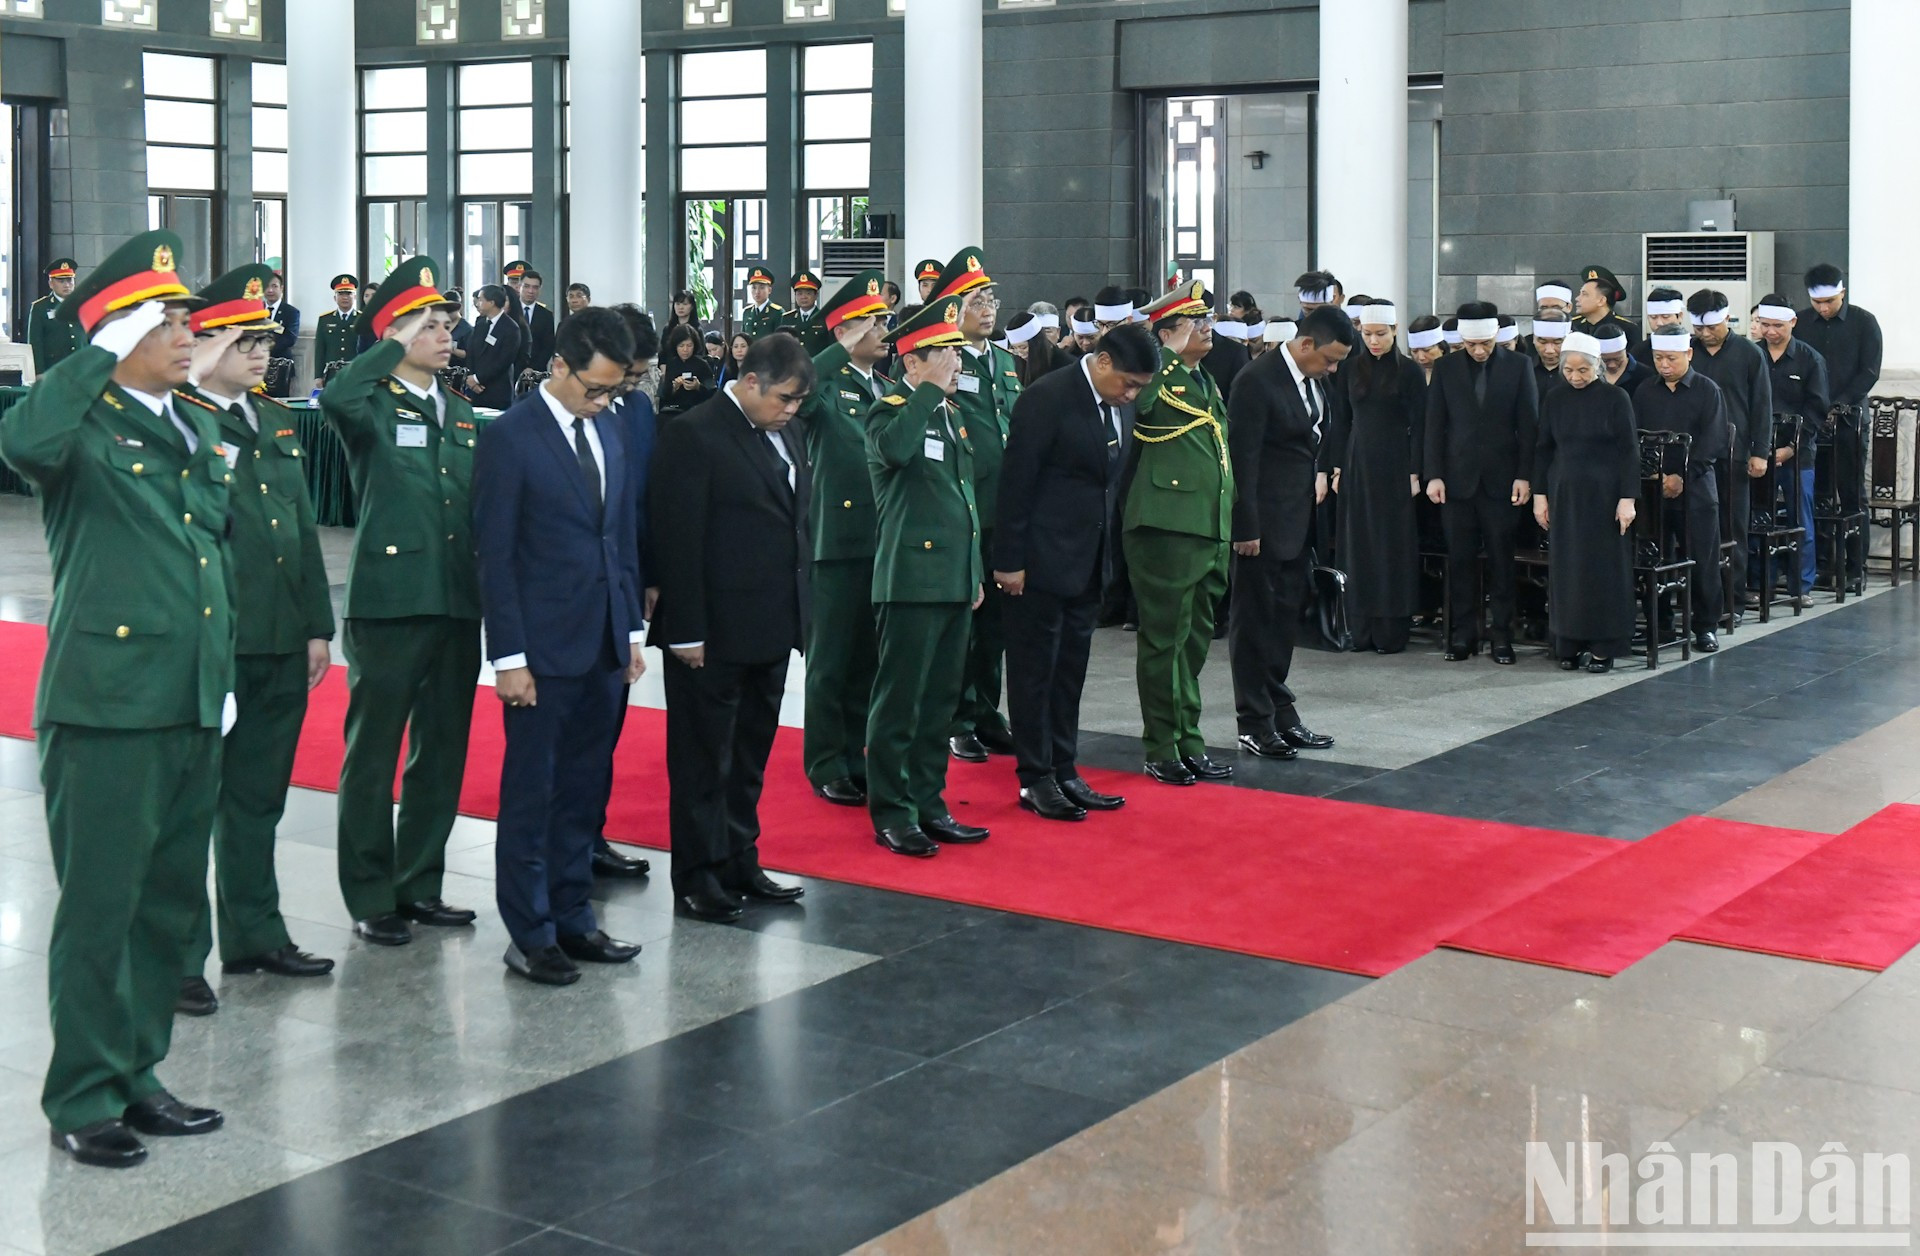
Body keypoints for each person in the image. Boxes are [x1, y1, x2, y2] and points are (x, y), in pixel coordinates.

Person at [0, 231, 233, 1168]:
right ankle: (84, 1094)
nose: (187, 336)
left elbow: (208, 556)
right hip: (107, 705)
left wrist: (219, 678)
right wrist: (93, 352)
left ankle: (138, 1073)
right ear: (118, 335)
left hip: (190, 699)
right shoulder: (80, 427)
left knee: (166, 908)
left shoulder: (196, 426)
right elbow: (21, 441)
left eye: (185, 321)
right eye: (164, 322)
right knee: (102, 908)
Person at [175, 263, 337, 1017]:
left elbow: (299, 531)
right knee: (188, 807)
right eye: (245, 341)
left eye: (267, 342)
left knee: (258, 798)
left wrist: (315, 626)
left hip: (276, 635)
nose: (263, 354)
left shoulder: (273, 420)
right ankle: (178, 957)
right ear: (205, 344)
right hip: (211, 639)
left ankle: (254, 935)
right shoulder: (178, 420)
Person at [474, 308, 646, 986]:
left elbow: (619, 535)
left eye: (614, 390)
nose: (603, 401)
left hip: (602, 641)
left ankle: (575, 916)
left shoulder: (612, 428)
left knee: (583, 787)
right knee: (533, 793)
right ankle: (530, 932)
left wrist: (630, 630)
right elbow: (495, 554)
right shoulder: (511, 437)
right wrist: (508, 657)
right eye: (594, 388)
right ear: (559, 366)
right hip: (541, 651)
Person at [321, 258, 481, 947]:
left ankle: (420, 883)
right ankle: (368, 893)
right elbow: (336, 395)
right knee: (373, 752)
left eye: (447, 324)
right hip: (389, 601)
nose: (445, 335)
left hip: (456, 599)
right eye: (430, 325)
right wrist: (390, 342)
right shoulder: (371, 404)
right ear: (396, 332)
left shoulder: (462, 412)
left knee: (440, 751)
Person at [649, 333, 811, 921]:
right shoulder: (694, 433)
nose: (791, 410)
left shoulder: (789, 432)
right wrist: (685, 630)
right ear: (749, 381)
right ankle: (698, 875)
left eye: (798, 401)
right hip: (711, 630)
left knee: (749, 755)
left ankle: (740, 858)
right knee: (702, 760)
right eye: (784, 398)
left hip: (772, 622)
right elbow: (678, 538)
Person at [993, 325, 1158, 820]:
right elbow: (1016, 482)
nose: (1131, 395)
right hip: (1038, 562)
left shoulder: (1120, 404)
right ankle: (1034, 777)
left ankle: (1065, 768)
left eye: (1140, 388)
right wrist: (1009, 560)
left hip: (1088, 561)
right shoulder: (1048, 398)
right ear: (1103, 362)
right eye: (1128, 383)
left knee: (1070, 672)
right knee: (1034, 673)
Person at [864, 296, 987, 857]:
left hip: (954, 580)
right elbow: (893, 452)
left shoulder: (951, 414)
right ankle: (893, 811)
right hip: (911, 579)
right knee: (901, 703)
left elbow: (965, 500)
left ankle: (929, 803)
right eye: (945, 355)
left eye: (957, 355)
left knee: (939, 703)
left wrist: (973, 571)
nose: (957, 364)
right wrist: (928, 391)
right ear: (912, 361)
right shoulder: (889, 410)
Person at [1228, 305, 1355, 757]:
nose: (1333, 369)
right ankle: (1253, 721)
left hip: (1297, 522)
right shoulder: (1256, 381)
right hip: (1260, 526)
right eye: (1329, 359)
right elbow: (1242, 459)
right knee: (1253, 623)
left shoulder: (1313, 380)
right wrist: (1245, 526)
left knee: (1283, 622)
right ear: (1305, 344)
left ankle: (1281, 712)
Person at [1123, 280, 1234, 785]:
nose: (1207, 329)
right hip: (1165, 527)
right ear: (1168, 333)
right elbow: (1138, 406)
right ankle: (1161, 744)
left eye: (1207, 321)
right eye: (1195, 323)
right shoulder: (1156, 375)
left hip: (1207, 527)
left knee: (1193, 643)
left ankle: (1189, 738)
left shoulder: (1203, 380)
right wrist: (1163, 352)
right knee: (1165, 641)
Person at [799, 271, 891, 808]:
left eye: (884, 321)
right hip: (837, 540)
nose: (884, 331)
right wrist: (838, 349)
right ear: (845, 330)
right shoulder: (827, 384)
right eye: (872, 323)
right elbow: (800, 391)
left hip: (884, 540)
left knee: (867, 661)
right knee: (831, 661)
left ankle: (857, 758)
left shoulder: (886, 386)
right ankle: (826, 761)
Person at [929, 247, 1022, 764]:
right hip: (962, 509)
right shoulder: (943, 360)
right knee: (964, 622)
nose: (987, 310)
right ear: (953, 309)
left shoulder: (1004, 362)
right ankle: (957, 719)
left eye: (990, 300)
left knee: (995, 627)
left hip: (1001, 509)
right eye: (976, 301)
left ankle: (987, 713)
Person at [1425, 301, 1539, 663]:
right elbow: (1434, 424)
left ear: (1495, 337)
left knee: (1502, 563)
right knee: (1459, 562)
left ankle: (1502, 636)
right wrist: (1434, 474)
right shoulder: (1445, 368)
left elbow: (1529, 426)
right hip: (1456, 482)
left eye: (1485, 344)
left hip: (1503, 482)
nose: (1478, 351)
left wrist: (1525, 476)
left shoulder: (1519, 366)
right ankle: (1464, 636)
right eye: (1471, 344)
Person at [586, 305, 658, 883]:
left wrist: (649, 577)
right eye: (626, 373)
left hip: (624, 582)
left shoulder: (635, 409)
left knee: (610, 715)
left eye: (638, 376)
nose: (630, 385)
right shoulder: (560, 411)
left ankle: (592, 832)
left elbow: (644, 498)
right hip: (572, 593)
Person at [1534, 333, 1639, 672]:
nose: (1576, 377)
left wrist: (1627, 499)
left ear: (1597, 367)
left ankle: (1602, 647)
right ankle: (1568, 642)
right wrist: (1540, 496)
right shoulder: (1555, 397)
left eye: (1583, 370)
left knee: (1602, 570)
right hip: (1565, 493)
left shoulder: (1616, 397)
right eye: (1569, 370)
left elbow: (1629, 452)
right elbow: (1543, 448)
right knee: (1567, 569)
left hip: (1605, 496)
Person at [1330, 303, 1424, 654]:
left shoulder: (1410, 371)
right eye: (1367, 334)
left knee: (1391, 543)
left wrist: (1416, 471)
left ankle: (1390, 627)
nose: (1374, 341)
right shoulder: (1350, 368)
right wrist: (1337, 468)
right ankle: (1359, 626)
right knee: (1357, 543)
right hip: (1357, 462)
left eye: (1381, 334)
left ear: (1395, 331)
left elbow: (1422, 425)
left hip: (1396, 463)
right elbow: (1340, 420)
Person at [1633, 329, 1728, 651]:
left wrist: (1681, 476)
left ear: (1688, 355)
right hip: (1653, 489)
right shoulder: (1645, 391)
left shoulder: (1707, 390)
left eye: (1671, 358)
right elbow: (1637, 436)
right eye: (1658, 358)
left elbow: (1713, 440)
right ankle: (1660, 624)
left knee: (1703, 559)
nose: (1664, 365)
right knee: (1653, 557)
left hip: (1696, 490)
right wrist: (1654, 474)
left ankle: (1705, 626)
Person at [1796, 263, 1882, 594]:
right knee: (1816, 493)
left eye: (1829, 301)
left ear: (1842, 293)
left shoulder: (1864, 322)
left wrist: (1838, 404)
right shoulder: (1801, 323)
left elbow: (1869, 371)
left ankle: (1856, 565)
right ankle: (1822, 563)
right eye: (1817, 302)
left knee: (1851, 493)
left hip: (1849, 420)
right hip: (1812, 421)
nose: (1823, 308)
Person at [1686, 288, 1773, 614]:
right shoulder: (1687, 351)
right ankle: (1698, 600)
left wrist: (1760, 451)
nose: (1705, 334)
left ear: (1727, 319)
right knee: (1696, 529)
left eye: (1712, 327)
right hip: (1694, 456)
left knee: (1733, 527)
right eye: (1699, 328)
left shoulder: (1749, 353)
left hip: (1734, 455)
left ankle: (1732, 599)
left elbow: (1761, 405)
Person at [1754, 293, 1831, 597]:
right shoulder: (1752, 355)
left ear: (1793, 323)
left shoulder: (1810, 359)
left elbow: (1816, 410)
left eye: (1778, 325)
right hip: (1759, 452)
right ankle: (1762, 583)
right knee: (1760, 519)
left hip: (1798, 454)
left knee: (1801, 520)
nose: (1771, 331)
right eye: (1765, 325)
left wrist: (1791, 448)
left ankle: (1802, 586)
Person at [464, 285, 524, 409]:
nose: (477, 304)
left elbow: (504, 361)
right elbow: (470, 352)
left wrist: (478, 378)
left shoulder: (511, 328)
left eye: (481, 300)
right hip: (476, 390)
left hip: (498, 391)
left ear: (491, 303)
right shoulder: (481, 323)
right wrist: (472, 379)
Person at [25, 257, 84, 374]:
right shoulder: (40, 307)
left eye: (69, 280)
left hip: (81, 367)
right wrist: (39, 372)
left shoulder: (83, 304)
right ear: (51, 284)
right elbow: (35, 342)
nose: (66, 285)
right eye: (61, 281)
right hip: (54, 369)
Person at [655, 322, 716, 420]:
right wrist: (674, 388)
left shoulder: (702, 364)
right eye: (681, 346)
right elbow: (664, 396)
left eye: (689, 345)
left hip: (697, 411)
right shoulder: (671, 364)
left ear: (695, 345)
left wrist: (698, 387)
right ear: (675, 346)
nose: (685, 349)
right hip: (675, 411)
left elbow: (713, 393)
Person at [1572, 264, 1639, 346]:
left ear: (1601, 301)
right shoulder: (1573, 326)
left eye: (1584, 294)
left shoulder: (1628, 330)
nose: (1577, 298)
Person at [1629, 286, 1691, 365]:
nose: (1659, 323)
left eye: (1665, 317)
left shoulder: (1694, 346)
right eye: (1653, 317)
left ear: (1680, 316)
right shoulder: (1639, 351)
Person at [314, 274, 361, 375]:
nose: (345, 297)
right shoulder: (325, 319)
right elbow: (320, 350)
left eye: (348, 293)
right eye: (340, 294)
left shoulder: (362, 319)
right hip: (331, 372)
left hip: (355, 371)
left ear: (355, 297)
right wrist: (318, 375)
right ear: (335, 298)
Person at [262, 272, 300, 397]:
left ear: (281, 288)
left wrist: (264, 348)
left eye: (274, 286)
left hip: (281, 366)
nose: (270, 290)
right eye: (267, 286)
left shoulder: (291, 312)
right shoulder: (255, 310)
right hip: (257, 364)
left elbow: (290, 338)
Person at [781, 270, 833, 356]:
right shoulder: (787, 318)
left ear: (816, 295)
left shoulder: (825, 317)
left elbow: (830, 348)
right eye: (799, 293)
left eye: (808, 293)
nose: (803, 297)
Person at [517, 267, 556, 369]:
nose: (531, 291)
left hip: (536, 371)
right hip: (511, 370)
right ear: (519, 286)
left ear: (540, 289)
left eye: (535, 287)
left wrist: (533, 368)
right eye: (526, 286)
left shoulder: (546, 315)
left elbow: (548, 347)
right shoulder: (510, 311)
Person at [1597, 328, 1650, 394]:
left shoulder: (1645, 374)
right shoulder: (1591, 375)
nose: (1612, 365)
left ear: (1625, 351)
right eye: (1605, 360)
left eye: (1617, 359)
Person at [1528, 317, 1570, 398]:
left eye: (1557, 342)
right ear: (1533, 340)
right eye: (1542, 342)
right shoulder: (1523, 369)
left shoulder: (1578, 373)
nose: (1549, 350)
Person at [740, 265, 784, 340]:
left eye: (762, 287)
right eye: (754, 288)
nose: (757, 292)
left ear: (769, 290)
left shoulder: (777, 312)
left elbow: (781, 341)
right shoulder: (747, 312)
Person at [1407, 316, 1446, 383]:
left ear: (1441, 347)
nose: (1421, 357)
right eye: (1414, 351)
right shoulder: (1408, 375)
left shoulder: (1456, 373)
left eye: (1426, 350)